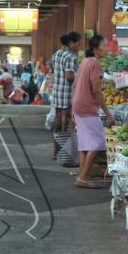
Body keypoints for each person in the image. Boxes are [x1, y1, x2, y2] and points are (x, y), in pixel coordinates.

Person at [71, 34, 113, 188]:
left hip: (78, 104)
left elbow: (75, 85)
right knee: (97, 142)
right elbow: (97, 91)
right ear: (96, 48)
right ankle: (83, 177)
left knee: (85, 143)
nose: (107, 49)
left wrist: (72, 110)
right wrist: (108, 113)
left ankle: (84, 174)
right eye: (105, 45)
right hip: (87, 106)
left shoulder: (85, 62)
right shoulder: (95, 64)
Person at [50, 31, 81, 160]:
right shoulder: (70, 56)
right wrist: (80, 79)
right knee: (66, 121)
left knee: (57, 120)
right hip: (67, 92)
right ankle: (63, 152)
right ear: (72, 43)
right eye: (78, 44)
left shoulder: (56, 54)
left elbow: (55, 71)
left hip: (57, 91)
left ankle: (56, 152)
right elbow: (69, 76)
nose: (79, 46)